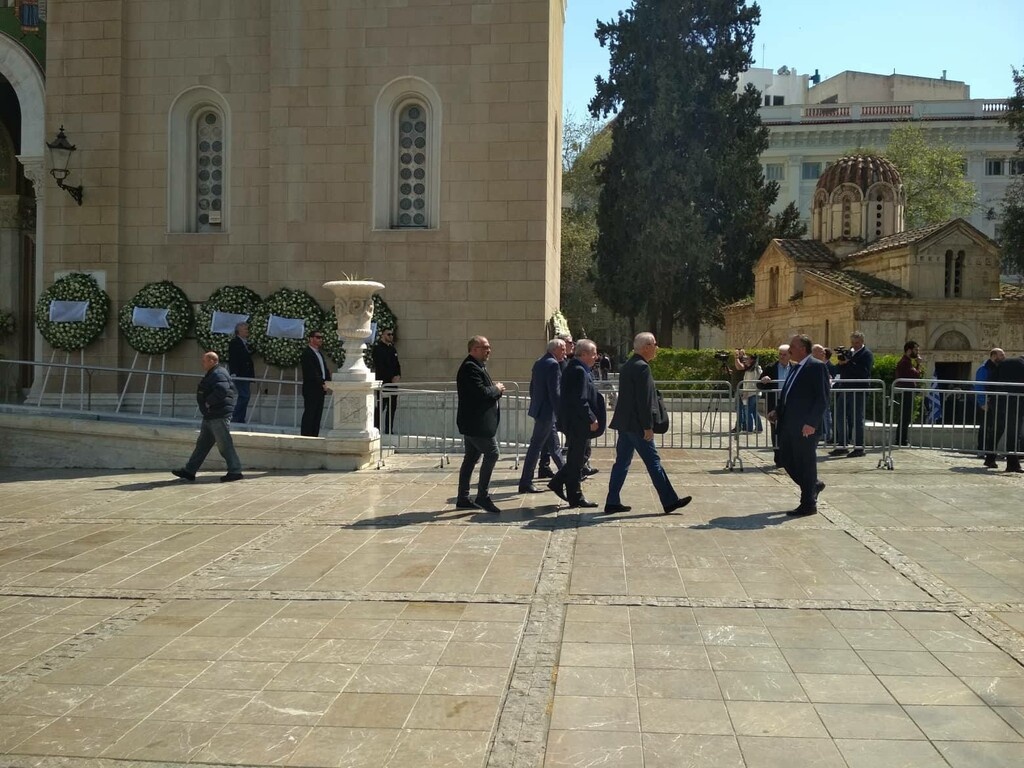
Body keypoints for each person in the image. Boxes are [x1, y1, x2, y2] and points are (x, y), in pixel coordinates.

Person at [603, 332, 692, 515]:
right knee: (653, 462)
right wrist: (647, 426)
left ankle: (612, 501)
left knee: (622, 462)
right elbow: (643, 401)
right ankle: (670, 501)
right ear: (646, 347)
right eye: (654, 344)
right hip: (637, 425)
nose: (657, 348)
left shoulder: (629, 365)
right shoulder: (642, 368)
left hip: (626, 423)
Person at [768, 334, 829, 516]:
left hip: (806, 428)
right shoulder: (795, 368)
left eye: (792, 346)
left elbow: (822, 398)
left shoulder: (816, 367)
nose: (789, 350)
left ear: (803, 348)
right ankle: (813, 485)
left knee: (806, 463)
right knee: (785, 459)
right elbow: (788, 394)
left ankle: (808, 504)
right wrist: (777, 411)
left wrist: (811, 423)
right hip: (789, 425)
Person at [548, 339, 605, 508]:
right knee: (576, 459)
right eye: (594, 353)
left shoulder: (577, 368)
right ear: (585, 354)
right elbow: (579, 399)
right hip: (578, 423)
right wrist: (591, 418)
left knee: (576, 459)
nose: (596, 357)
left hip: (576, 422)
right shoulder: (578, 370)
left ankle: (561, 485)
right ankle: (574, 495)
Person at [172, 352, 243, 482]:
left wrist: (208, 402)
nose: (202, 363)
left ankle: (235, 471)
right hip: (211, 416)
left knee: (225, 445)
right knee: (202, 445)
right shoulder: (214, 373)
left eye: (204, 361)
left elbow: (222, 390)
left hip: (218, 415)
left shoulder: (218, 373)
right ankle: (190, 471)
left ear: (212, 360)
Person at [456, 336, 506, 513]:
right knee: (492, 454)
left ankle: (463, 497)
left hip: (473, 423)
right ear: (473, 349)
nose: (488, 350)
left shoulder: (476, 366)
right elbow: (482, 393)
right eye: (484, 347)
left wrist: (495, 391)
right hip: (477, 424)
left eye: (489, 347)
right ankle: (482, 496)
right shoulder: (470, 368)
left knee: (470, 458)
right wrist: (497, 389)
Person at [519, 338, 566, 493]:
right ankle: (525, 481)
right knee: (536, 447)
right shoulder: (553, 365)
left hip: (541, 411)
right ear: (556, 349)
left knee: (554, 446)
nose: (565, 352)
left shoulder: (539, 362)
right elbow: (555, 392)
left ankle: (568, 475)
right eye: (563, 349)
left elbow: (533, 387)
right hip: (547, 412)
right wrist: (561, 413)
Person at [831, 330, 874, 458]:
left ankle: (859, 447)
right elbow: (838, 369)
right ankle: (842, 444)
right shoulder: (849, 352)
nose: (854, 345)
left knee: (857, 419)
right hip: (845, 388)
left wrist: (849, 363)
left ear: (862, 342)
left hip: (858, 390)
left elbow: (864, 372)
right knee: (839, 415)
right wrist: (841, 363)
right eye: (853, 342)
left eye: (857, 342)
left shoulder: (867, 354)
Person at [759, 344, 792, 465]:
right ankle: (778, 457)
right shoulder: (770, 368)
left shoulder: (794, 368)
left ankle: (788, 456)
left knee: (789, 431)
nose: (782, 357)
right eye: (780, 354)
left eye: (785, 355)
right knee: (776, 430)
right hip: (774, 403)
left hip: (790, 404)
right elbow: (759, 384)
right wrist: (764, 379)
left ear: (790, 355)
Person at [993, 351, 1024, 473]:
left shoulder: (1006, 363)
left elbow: (994, 379)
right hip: (1017, 401)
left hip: (1001, 400)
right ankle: (1012, 463)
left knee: (1002, 430)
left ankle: (993, 458)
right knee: (1014, 432)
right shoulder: (1020, 365)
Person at [976, 348, 1006, 468]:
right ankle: (981, 449)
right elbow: (979, 386)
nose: (1004, 357)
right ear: (994, 356)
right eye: (1001, 355)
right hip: (987, 403)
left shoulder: (998, 367)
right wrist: (982, 402)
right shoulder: (984, 368)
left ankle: (990, 451)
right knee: (985, 426)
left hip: (995, 402)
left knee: (992, 427)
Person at [300, 330, 331, 437]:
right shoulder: (307, 353)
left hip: (320, 389)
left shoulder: (319, 353)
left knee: (317, 414)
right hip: (311, 388)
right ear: (311, 338)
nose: (320, 340)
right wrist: (322, 383)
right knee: (310, 413)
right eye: (318, 337)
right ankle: (306, 436)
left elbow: (324, 369)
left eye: (321, 337)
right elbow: (312, 372)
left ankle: (314, 436)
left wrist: (327, 381)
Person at [894, 340, 925, 446]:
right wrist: (919, 364)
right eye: (915, 350)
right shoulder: (905, 362)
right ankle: (902, 440)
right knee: (905, 416)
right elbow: (915, 375)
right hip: (906, 391)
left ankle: (901, 439)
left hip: (907, 391)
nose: (917, 352)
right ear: (909, 350)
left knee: (905, 416)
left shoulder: (907, 361)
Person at [372, 327, 401, 434]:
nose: (391, 336)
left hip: (393, 384)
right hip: (384, 382)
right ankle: (376, 428)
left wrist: (397, 375)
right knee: (380, 407)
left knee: (392, 407)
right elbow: (380, 366)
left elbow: (397, 364)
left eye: (392, 334)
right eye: (388, 334)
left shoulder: (392, 349)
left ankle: (389, 429)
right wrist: (390, 378)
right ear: (383, 335)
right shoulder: (378, 349)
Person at [228, 322, 255, 424]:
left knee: (245, 396)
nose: (247, 331)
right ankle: (235, 418)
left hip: (245, 374)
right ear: (239, 331)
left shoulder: (245, 342)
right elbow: (233, 358)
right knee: (244, 395)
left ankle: (240, 418)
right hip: (239, 374)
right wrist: (234, 372)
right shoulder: (235, 342)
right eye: (245, 329)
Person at [811, 344, 837, 443]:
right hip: (814, 396)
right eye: (821, 351)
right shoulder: (813, 364)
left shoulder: (826, 366)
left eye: (824, 352)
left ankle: (827, 434)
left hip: (823, 395)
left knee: (826, 414)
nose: (823, 353)